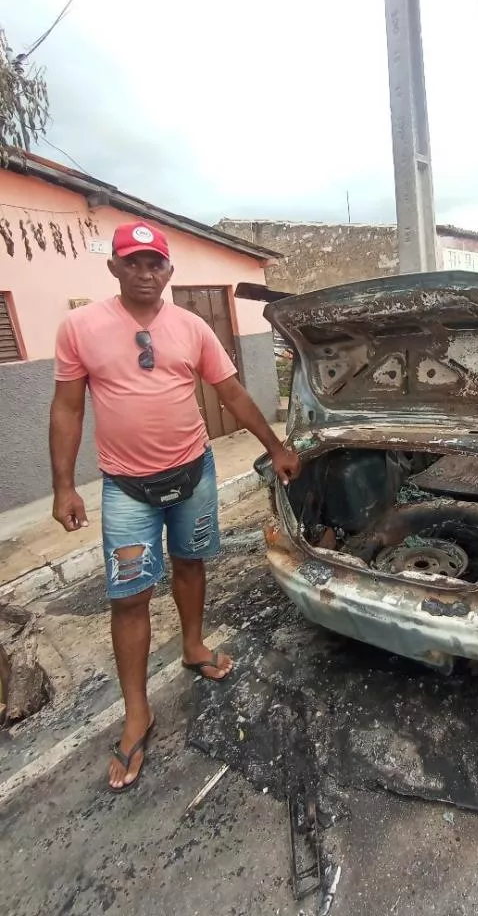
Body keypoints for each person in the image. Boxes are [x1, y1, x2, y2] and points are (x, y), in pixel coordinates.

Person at [49, 220, 300, 792]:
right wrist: (63, 486)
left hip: (193, 473)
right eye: (132, 262)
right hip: (125, 487)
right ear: (113, 267)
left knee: (190, 563)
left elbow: (230, 392)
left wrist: (276, 446)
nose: (144, 272)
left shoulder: (192, 327)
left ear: (168, 270)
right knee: (129, 595)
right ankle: (137, 712)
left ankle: (192, 646)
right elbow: (67, 408)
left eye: (154, 263)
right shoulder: (80, 328)